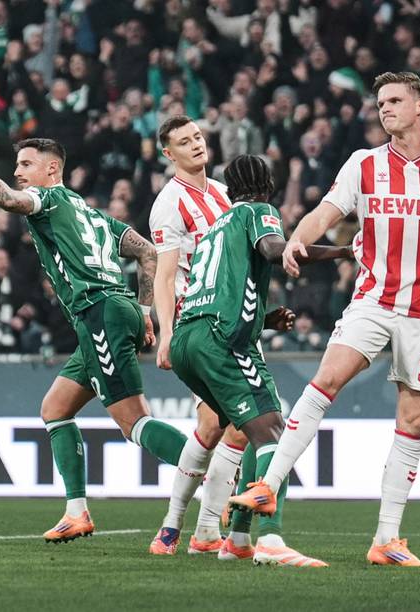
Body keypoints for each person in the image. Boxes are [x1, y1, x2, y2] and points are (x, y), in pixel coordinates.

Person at [231, 72, 420, 567]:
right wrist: (298, 237)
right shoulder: (364, 165)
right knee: (326, 379)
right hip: (373, 299)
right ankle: (269, 484)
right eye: (380, 102)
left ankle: (386, 540)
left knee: (414, 419)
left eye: (394, 101)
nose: (384, 109)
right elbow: (324, 211)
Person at [0, 126, 188, 543]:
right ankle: (76, 512)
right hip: (110, 311)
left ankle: (213, 476)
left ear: (53, 170)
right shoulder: (92, 213)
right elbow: (146, 251)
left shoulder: (47, 199)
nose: (18, 172)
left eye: (26, 164)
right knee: (55, 408)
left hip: (98, 311)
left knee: (134, 422)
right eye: (16, 165)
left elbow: (8, 200)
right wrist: (142, 313)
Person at [163, 154, 349, 568]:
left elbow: (219, 287)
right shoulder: (258, 211)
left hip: (186, 339)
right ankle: (270, 540)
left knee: (247, 428)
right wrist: (342, 250)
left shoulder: (215, 228)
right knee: (272, 428)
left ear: (229, 190)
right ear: (269, 184)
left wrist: (264, 319)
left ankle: (237, 538)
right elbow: (272, 249)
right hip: (221, 341)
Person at [148, 114, 291, 558]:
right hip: (202, 326)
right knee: (218, 425)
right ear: (168, 154)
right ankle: (181, 525)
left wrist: (262, 316)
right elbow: (165, 275)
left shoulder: (228, 195)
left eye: (197, 137)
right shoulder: (169, 204)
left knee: (232, 428)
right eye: (183, 142)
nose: (195, 145)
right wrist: (167, 334)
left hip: (235, 323)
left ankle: (204, 531)